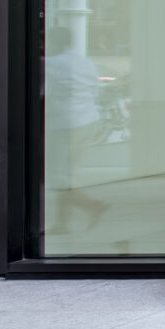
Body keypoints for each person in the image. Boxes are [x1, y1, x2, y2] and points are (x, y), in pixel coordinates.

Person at [45, 46, 109, 231]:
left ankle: (91, 205)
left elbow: (43, 92)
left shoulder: (51, 63)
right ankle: (62, 223)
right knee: (68, 175)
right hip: (88, 120)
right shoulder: (86, 62)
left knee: (57, 175)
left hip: (64, 124)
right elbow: (95, 90)